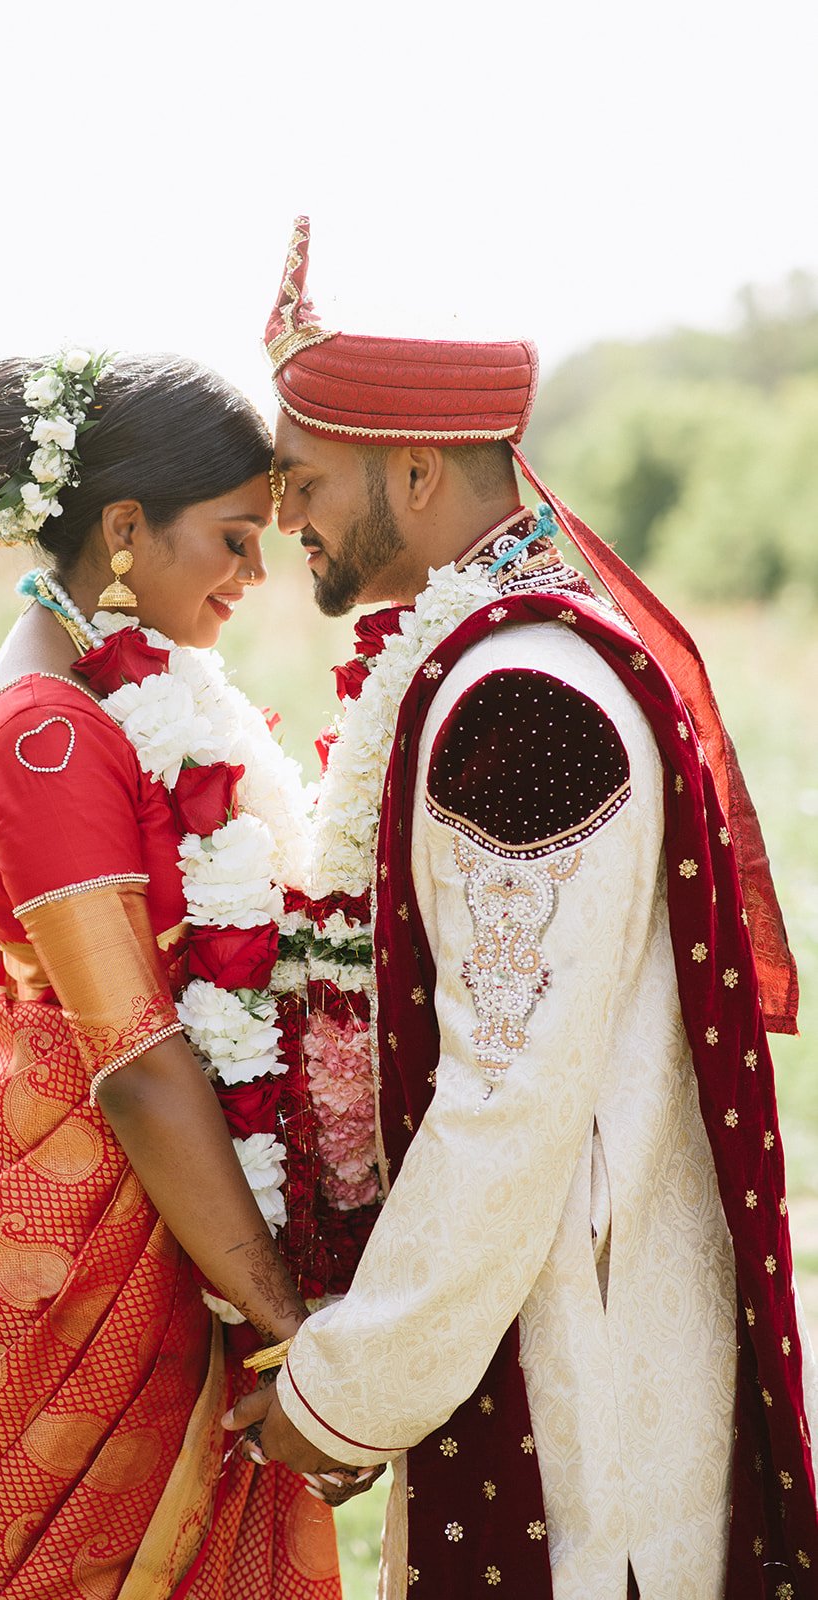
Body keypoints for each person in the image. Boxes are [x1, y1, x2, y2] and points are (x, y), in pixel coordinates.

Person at [226, 219, 818, 1599]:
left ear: (417, 467)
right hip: (547, 1313)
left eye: (304, 481)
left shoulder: (525, 704)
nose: (287, 518)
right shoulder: (490, 664)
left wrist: (347, 1388)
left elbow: (509, 1096)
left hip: (579, 1361)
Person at [0, 347, 361, 1600]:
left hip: (156, 1195)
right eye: (233, 536)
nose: (255, 571)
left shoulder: (117, 682)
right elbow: (134, 1062)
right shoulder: (54, 731)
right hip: (89, 1228)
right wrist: (291, 1335)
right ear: (124, 527)